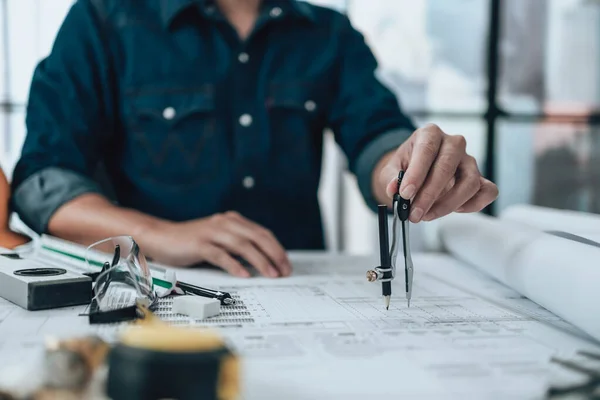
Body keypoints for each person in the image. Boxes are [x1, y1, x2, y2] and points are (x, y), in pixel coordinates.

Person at [11, 0, 498, 278]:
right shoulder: (101, 20)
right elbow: (43, 182)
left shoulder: (329, 33)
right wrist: (161, 235)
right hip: (150, 286)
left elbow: (377, 141)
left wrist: (412, 170)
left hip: (295, 285)